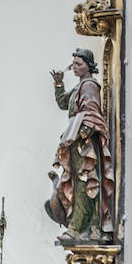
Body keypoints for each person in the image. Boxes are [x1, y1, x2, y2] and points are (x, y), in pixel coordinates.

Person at [44, 48, 115, 241]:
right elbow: (62, 103)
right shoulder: (79, 86)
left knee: (84, 183)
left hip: (84, 143)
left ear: (88, 65)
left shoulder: (90, 85)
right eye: (73, 64)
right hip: (77, 139)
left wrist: (82, 135)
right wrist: (59, 84)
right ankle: (83, 226)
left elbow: (92, 113)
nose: (75, 68)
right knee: (78, 183)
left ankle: (80, 227)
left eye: (79, 64)